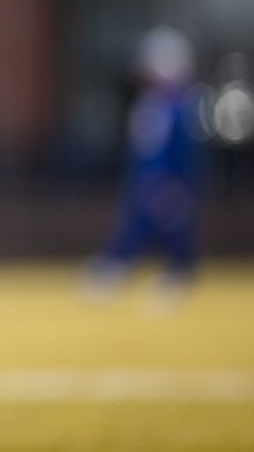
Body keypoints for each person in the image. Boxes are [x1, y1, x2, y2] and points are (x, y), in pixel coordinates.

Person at [86, 26, 205, 310]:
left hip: (166, 182)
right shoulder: (155, 104)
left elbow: (181, 152)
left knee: (170, 227)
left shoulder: (178, 107)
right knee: (138, 224)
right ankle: (119, 265)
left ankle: (176, 272)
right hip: (147, 180)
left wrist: (173, 183)